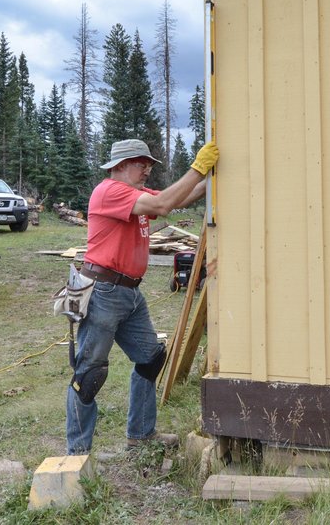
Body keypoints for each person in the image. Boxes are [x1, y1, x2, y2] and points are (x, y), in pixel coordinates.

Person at [66, 138, 219, 455]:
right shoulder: (109, 191)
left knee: (150, 359)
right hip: (104, 292)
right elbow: (163, 205)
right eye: (141, 163)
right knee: (89, 373)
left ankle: (141, 434)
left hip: (129, 293)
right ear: (120, 165)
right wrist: (197, 167)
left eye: (150, 163)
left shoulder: (135, 195)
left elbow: (178, 199)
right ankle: (77, 455)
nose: (148, 168)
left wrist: (211, 178)